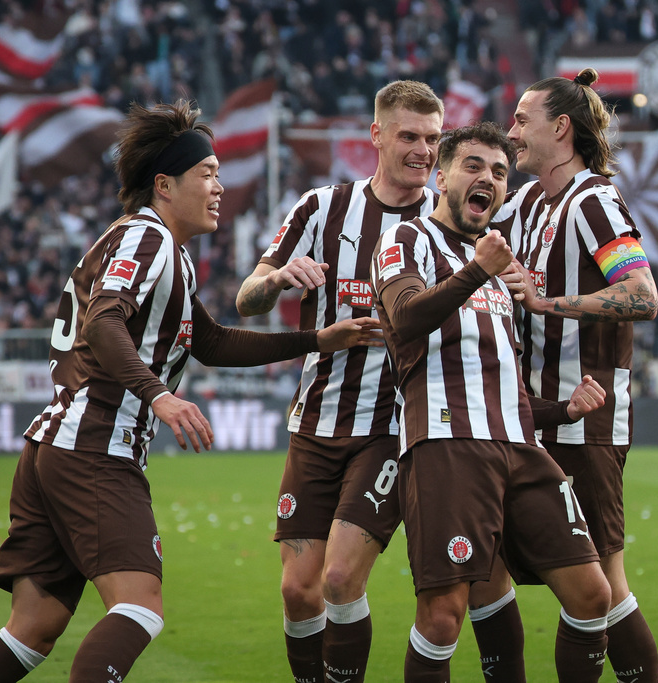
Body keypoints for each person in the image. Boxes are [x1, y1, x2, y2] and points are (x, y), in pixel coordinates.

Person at [0, 100, 380, 683]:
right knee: (139, 608)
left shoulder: (159, 248)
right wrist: (159, 396)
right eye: (208, 174)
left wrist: (319, 339)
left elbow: (214, 342)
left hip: (54, 446)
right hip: (96, 445)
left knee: (33, 628)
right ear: (165, 185)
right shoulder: (146, 240)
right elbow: (103, 320)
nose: (220, 186)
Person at [371, 121, 613, 682]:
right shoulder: (406, 240)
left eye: (500, 172)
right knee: (442, 618)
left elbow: (502, 381)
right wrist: (479, 270)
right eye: (474, 166)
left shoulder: (500, 268)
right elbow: (405, 319)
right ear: (441, 176)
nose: (488, 179)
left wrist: (561, 409)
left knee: (591, 593)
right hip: (445, 445)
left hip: (519, 446)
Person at [234, 80, 442, 683]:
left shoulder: (445, 220)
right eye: (409, 136)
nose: (423, 151)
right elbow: (246, 299)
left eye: (433, 139)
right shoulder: (323, 208)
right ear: (376, 135)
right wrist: (274, 281)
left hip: (391, 428)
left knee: (340, 579)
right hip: (316, 422)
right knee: (299, 592)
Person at [485, 67, 658, 683]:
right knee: (497, 569)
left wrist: (549, 303)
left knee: (602, 582)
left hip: (588, 419)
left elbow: (642, 294)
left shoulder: (595, 201)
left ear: (561, 128)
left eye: (522, 120)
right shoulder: (528, 202)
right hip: (532, 420)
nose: (511, 133)